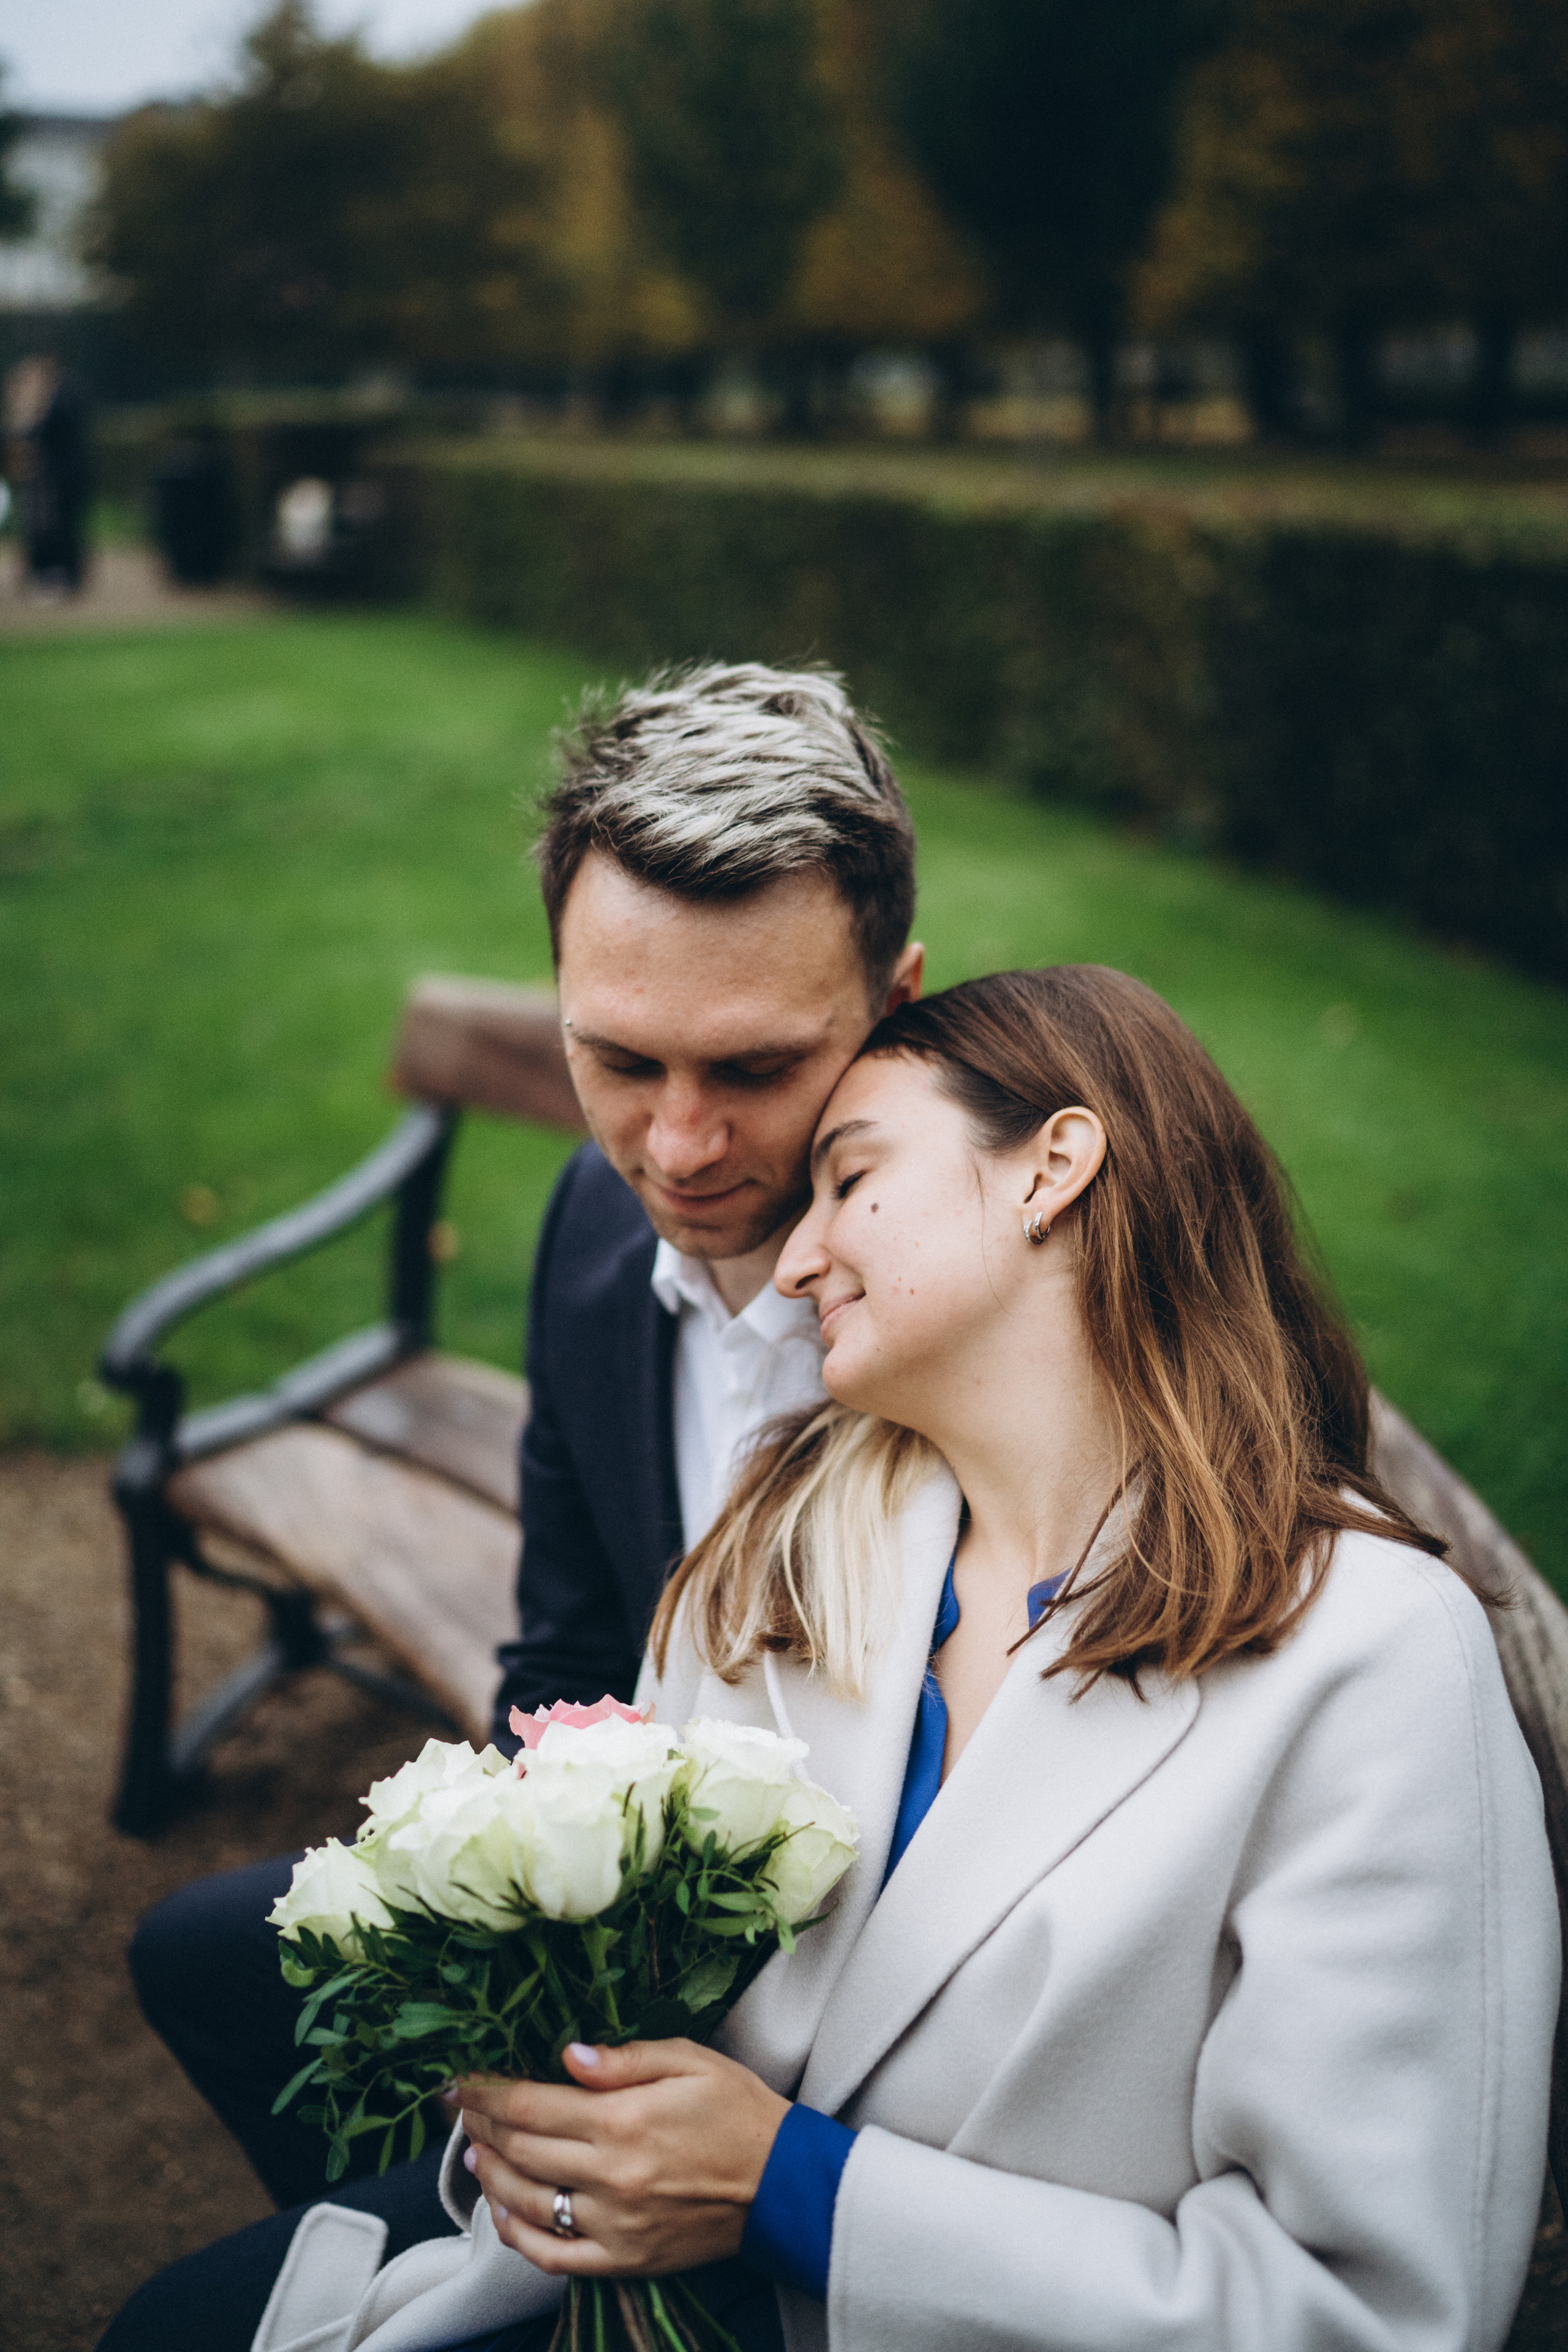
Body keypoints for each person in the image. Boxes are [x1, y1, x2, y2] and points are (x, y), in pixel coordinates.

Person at [245, 964, 1556, 2352]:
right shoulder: (783, 1544)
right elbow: (635, 2001)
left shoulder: (1366, 1659)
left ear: (1051, 1166)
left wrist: (789, 2193)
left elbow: (1364, 2310)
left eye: (850, 1181)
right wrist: (555, 2124)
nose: (797, 1259)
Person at [103, 663, 924, 2346]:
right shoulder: (594, 1229)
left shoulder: (974, 1330)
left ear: (899, 1005)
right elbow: (558, 1649)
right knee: (196, 1956)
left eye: (755, 1068)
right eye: (617, 1058)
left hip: (844, 2059)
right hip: (615, 1949)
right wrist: (514, 1960)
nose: (678, 1146)